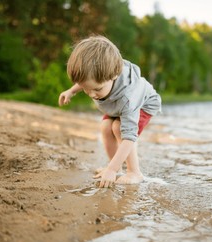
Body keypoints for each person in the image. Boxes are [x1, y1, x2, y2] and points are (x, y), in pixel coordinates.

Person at [58, 35, 162, 188]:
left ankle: (135, 172)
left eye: (97, 89)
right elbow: (86, 81)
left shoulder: (129, 97)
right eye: (86, 89)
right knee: (106, 127)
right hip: (115, 103)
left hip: (142, 104)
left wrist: (110, 169)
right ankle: (117, 167)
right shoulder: (98, 78)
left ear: (113, 76)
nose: (92, 94)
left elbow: (129, 137)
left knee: (119, 128)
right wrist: (71, 91)